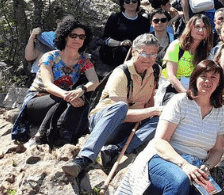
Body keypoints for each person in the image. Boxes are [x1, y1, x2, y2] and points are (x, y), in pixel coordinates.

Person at [111, 60, 224, 195]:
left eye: (213, 77)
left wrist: (207, 166)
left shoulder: (219, 111)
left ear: (219, 83)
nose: (207, 81)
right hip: (163, 159)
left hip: (195, 164)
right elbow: (160, 141)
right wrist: (184, 165)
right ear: (195, 78)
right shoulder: (180, 101)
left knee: (204, 193)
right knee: (179, 181)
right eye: (203, 76)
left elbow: (218, 150)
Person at [62, 34, 163, 176]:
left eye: (153, 54)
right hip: (106, 121)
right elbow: (122, 114)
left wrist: (153, 113)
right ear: (134, 52)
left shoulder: (156, 70)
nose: (149, 58)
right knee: (121, 107)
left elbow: (149, 100)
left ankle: (115, 150)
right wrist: (153, 111)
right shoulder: (121, 74)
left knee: (164, 118)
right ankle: (84, 158)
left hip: (132, 122)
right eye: (144, 53)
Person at [12, 18, 99, 147]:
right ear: (65, 36)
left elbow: (95, 82)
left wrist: (82, 89)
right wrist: (67, 95)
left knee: (84, 99)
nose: (77, 39)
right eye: (73, 35)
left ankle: (65, 135)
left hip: (62, 101)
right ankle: (40, 136)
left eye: (81, 37)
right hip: (37, 100)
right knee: (65, 99)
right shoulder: (50, 57)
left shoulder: (84, 61)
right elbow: (48, 85)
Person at [162, 15, 213, 103]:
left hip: (193, 89)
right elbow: (171, 76)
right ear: (190, 28)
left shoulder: (207, 51)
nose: (201, 30)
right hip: (172, 88)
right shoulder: (176, 45)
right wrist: (185, 94)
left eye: (204, 27)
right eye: (197, 26)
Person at [100, 0, 151, 67]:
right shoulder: (115, 18)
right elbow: (106, 39)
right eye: (127, 2)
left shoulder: (144, 21)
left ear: (138, 3)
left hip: (136, 51)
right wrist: (121, 43)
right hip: (115, 50)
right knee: (122, 51)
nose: (131, 3)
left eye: (134, 1)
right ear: (123, 5)